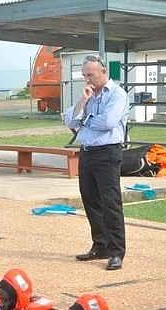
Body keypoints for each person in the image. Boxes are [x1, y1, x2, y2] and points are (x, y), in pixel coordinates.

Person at [64, 54, 129, 271]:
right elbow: (68, 120)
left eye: (90, 75)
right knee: (90, 201)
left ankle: (116, 252)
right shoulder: (88, 95)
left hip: (108, 153)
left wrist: (84, 120)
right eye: (84, 76)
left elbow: (109, 122)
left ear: (103, 72)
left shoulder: (118, 95)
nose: (87, 79)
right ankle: (99, 245)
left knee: (110, 203)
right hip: (87, 152)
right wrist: (82, 101)